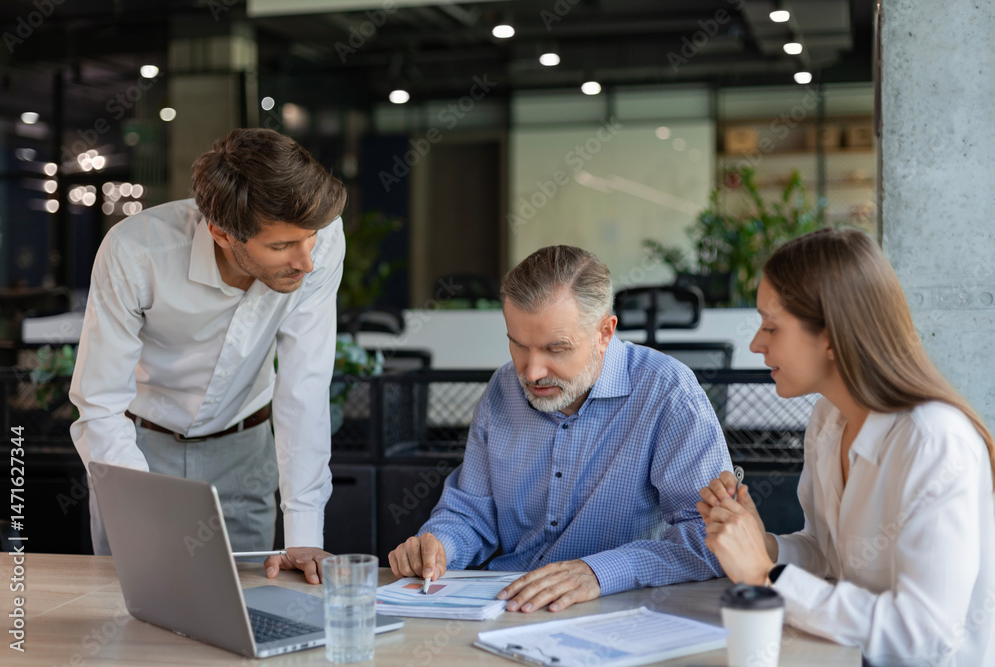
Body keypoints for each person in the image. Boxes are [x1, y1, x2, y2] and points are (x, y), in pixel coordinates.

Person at [697, 228, 995, 666]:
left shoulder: (935, 442)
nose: (756, 343)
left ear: (832, 337)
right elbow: (829, 555)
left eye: (771, 327)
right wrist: (765, 545)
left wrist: (765, 574)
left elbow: (924, 637)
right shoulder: (828, 419)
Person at [70, 128, 347, 584]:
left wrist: (303, 533)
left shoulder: (322, 240)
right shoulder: (135, 252)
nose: (306, 262)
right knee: (133, 606)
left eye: (310, 238)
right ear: (221, 232)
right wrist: (138, 511)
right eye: (280, 247)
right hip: (137, 451)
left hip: (245, 452)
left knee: (246, 609)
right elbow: (99, 404)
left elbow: (305, 387)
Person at [389, 245, 732, 612]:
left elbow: (715, 538)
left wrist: (599, 572)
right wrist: (440, 545)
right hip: (505, 607)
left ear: (604, 333)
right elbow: (471, 514)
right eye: (519, 345)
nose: (532, 371)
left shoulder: (668, 392)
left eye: (555, 349)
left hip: (617, 612)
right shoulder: (503, 389)